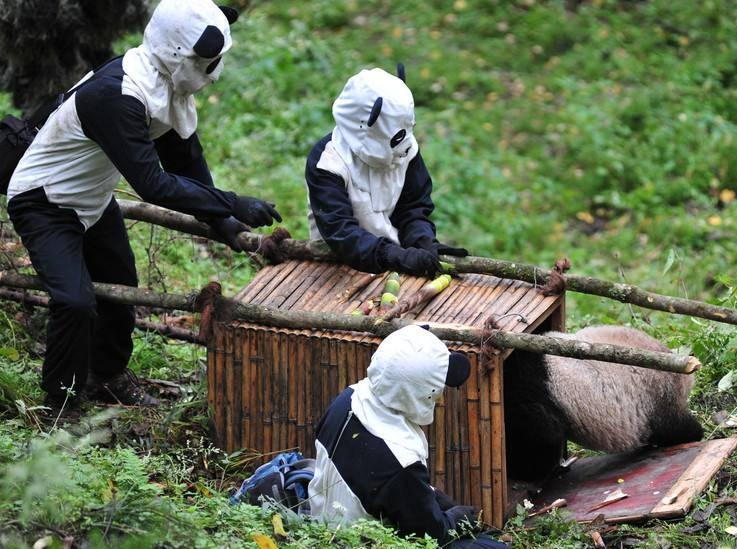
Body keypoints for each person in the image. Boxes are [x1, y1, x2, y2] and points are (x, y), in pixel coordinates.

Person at [6, 0, 281, 411]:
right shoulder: (119, 96)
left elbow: (185, 163)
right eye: (208, 61)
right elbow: (154, 185)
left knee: (122, 289)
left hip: (92, 200)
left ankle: (108, 374)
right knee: (75, 301)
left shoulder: (164, 87)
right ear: (176, 52)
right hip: (44, 201)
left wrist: (221, 220)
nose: (214, 72)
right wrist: (234, 203)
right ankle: (62, 400)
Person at [308, 325, 506, 548]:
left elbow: (390, 487)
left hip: (325, 523)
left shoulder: (347, 399)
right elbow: (432, 535)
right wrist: (460, 516)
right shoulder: (400, 460)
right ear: (423, 391)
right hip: (362, 542)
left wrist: (432, 499)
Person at [304, 67, 468, 277]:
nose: (406, 145)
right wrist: (394, 257)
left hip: (394, 264)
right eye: (398, 136)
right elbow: (341, 232)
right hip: (336, 267)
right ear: (365, 126)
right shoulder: (328, 163)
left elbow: (413, 206)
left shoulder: (406, 149)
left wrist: (422, 240)